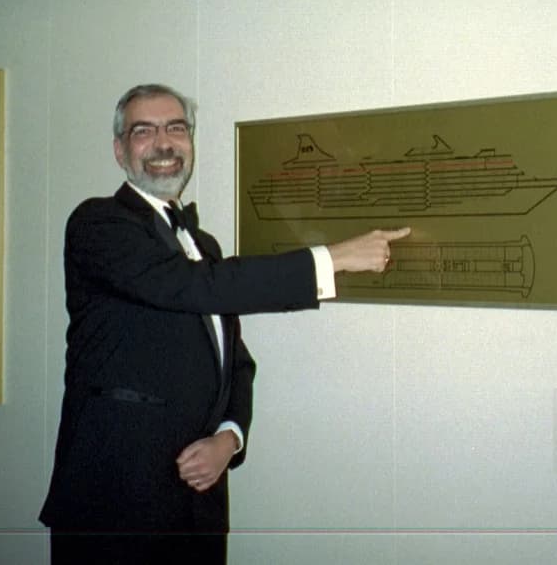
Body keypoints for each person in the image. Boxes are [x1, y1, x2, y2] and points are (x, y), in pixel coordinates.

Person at [40, 83, 408, 564]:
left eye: (176, 128)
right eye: (143, 131)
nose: (164, 143)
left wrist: (229, 438)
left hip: (198, 508)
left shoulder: (203, 246)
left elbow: (236, 364)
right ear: (119, 150)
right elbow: (192, 287)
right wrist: (332, 259)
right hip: (114, 505)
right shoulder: (97, 224)